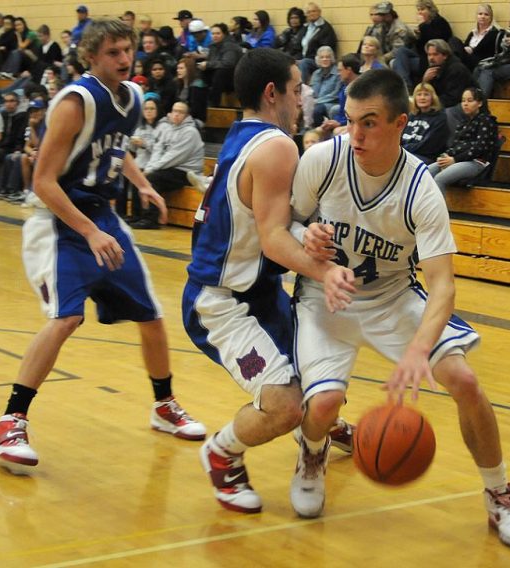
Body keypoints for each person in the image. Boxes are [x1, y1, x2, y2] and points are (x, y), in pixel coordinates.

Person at [289, 68, 510, 550]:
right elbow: (284, 223)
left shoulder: (421, 188)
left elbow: (442, 286)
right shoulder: (322, 159)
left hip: (391, 296)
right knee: (322, 404)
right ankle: (312, 452)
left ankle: (500, 493)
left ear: (401, 122)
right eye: (349, 120)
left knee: (464, 380)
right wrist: (307, 237)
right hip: (325, 294)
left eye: (369, 123)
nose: (354, 134)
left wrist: (418, 351)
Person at [0, 18, 206, 468]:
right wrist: (88, 230)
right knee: (66, 319)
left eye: (128, 50)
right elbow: (44, 181)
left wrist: (142, 184)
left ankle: (164, 405)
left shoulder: (134, 96)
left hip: (101, 217)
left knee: (151, 315)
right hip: (60, 221)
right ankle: (9, 422)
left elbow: (114, 152)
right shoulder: (74, 102)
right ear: (91, 58)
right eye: (114, 53)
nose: (125, 59)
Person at [183, 48, 353, 514]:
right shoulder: (277, 146)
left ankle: (322, 427)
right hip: (223, 302)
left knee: (322, 379)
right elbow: (274, 239)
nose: (303, 99)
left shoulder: (242, 136)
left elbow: (272, 220)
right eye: (297, 90)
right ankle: (222, 452)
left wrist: (305, 232)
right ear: (272, 93)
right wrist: (326, 271)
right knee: (284, 406)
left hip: (258, 292)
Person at [130, 101, 204, 230]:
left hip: (186, 172)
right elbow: (157, 151)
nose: (176, 115)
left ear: (187, 116)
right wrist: (148, 168)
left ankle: (151, 219)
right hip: (169, 168)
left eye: (180, 112)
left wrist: (151, 170)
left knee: (152, 178)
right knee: (139, 175)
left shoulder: (190, 132)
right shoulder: (168, 129)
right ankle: (137, 216)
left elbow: (173, 157)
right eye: (174, 111)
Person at [428, 86, 498, 192]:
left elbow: (479, 148)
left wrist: (455, 159)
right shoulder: (464, 122)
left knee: (440, 179)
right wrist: (444, 156)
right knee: (425, 173)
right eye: (463, 101)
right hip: (457, 160)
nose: (465, 104)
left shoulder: (486, 121)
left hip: (477, 162)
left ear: (479, 103)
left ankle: (438, 209)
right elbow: (455, 144)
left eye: (470, 100)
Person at [392, 0, 453, 91]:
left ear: (430, 10)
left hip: (429, 58)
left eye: (422, 9)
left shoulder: (439, 22)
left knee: (396, 63)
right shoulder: (425, 25)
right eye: (418, 10)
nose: (420, 12)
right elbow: (419, 45)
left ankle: (405, 88)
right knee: (401, 51)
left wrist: (422, 26)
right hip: (421, 55)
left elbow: (434, 41)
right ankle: (405, 85)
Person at [197, 24, 243, 108]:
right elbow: (213, 63)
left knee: (220, 72)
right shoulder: (213, 46)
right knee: (201, 71)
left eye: (218, 33)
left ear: (224, 34)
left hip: (234, 78)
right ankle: (199, 101)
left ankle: (213, 104)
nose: (215, 36)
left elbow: (228, 63)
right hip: (219, 78)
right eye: (213, 34)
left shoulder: (230, 46)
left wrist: (208, 64)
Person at [401, 82, 449, 163]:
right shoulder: (410, 116)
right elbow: (399, 138)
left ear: (433, 98)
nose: (422, 98)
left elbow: (428, 146)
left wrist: (403, 148)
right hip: (405, 152)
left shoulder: (440, 118)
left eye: (426, 94)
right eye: (419, 94)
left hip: (424, 156)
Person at [299, 3, 339, 83]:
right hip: (304, 58)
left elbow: (326, 49)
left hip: (317, 59)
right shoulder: (306, 27)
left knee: (304, 63)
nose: (311, 14)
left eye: (314, 11)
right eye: (309, 12)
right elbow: (297, 45)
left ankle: (300, 88)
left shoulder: (326, 28)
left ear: (319, 12)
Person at [463, 3, 503, 72]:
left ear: (491, 18)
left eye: (486, 14)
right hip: (467, 60)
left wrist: (472, 49)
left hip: (481, 62)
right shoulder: (472, 33)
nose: (482, 16)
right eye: (480, 14)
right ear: (476, 16)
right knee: (454, 40)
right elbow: (464, 47)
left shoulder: (494, 33)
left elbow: (486, 51)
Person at [310, 46, 341, 127]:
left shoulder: (338, 74)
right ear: (318, 60)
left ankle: (319, 133)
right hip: (316, 102)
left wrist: (317, 101)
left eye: (327, 57)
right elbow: (312, 92)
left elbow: (335, 95)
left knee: (317, 110)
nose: (325, 59)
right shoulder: (315, 74)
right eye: (322, 57)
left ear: (332, 59)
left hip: (330, 103)